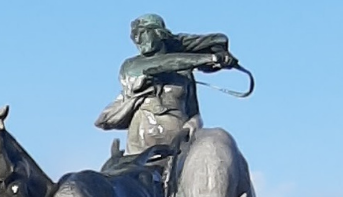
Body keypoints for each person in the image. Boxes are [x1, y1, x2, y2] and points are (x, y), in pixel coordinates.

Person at [97, 14, 238, 154]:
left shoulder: (184, 74)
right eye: (134, 36)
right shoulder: (132, 65)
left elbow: (194, 112)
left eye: (142, 33)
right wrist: (211, 58)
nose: (137, 39)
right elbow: (164, 63)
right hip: (141, 152)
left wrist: (192, 125)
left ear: (160, 34)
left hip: (178, 149)